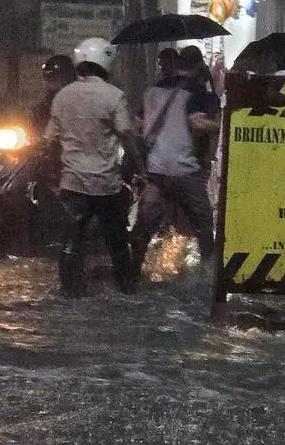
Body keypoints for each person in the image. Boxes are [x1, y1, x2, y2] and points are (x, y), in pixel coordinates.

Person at [44, 37, 140, 297]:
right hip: (106, 185)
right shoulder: (114, 96)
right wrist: (140, 167)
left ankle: (69, 290)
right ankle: (126, 288)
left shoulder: (62, 96)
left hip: (72, 183)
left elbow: (49, 139)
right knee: (117, 240)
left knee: (71, 240)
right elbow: (126, 135)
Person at [130, 52, 221, 280]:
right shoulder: (194, 91)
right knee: (204, 221)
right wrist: (224, 124)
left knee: (144, 225)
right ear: (197, 66)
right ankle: (208, 276)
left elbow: (137, 126)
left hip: (156, 170)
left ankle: (132, 273)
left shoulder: (152, 91)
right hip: (183, 169)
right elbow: (197, 123)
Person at [31, 55, 77, 135]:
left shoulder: (76, 101)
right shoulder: (42, 106)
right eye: (49, 79)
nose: (50, 83)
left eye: (55, 79)